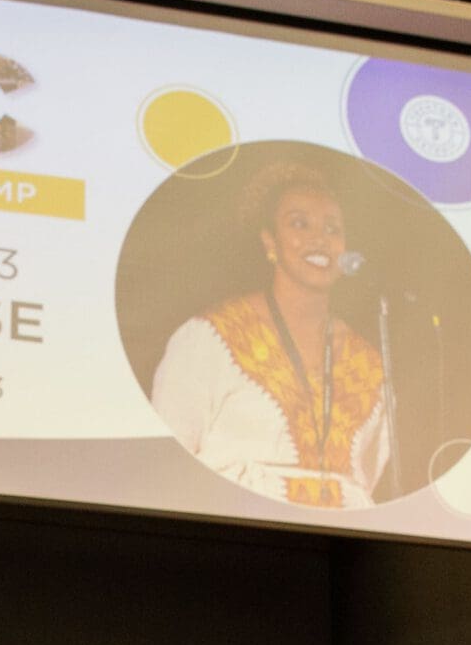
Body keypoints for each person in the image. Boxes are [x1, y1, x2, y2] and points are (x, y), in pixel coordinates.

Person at [148, 161, 391, 510]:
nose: (319, 238)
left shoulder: (370, 363)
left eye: (332, 228)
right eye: (299, 223)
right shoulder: (210, 338)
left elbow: (370, 476)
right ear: (269, 242)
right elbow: (165, 466)